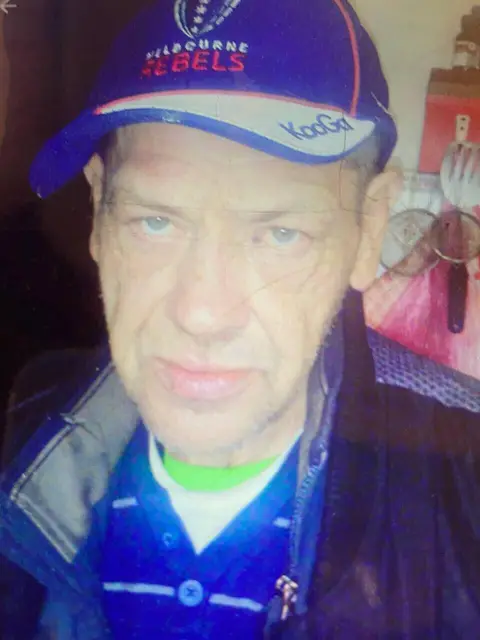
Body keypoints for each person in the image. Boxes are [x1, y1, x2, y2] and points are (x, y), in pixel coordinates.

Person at [1, 0, 480, 638]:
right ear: (97, 212)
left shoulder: (464, 483)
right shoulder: (23, 431)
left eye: (281, 234)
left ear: (368, 231)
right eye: (155, 222)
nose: (201, 314)